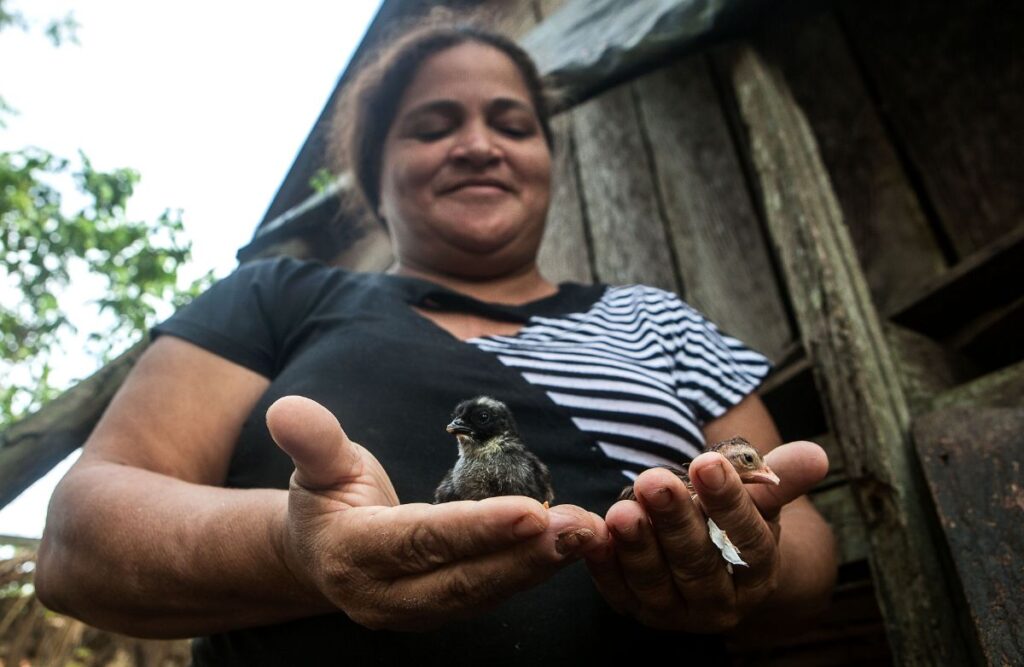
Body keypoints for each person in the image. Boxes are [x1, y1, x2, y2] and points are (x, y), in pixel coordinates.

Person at [35, 23, 837, 665]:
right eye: (434, 124)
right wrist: (292, 548)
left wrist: (746, 561)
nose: (479, 144)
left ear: (547, 163)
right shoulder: (275, 294)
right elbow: (78, 541)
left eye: (512, 123)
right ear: (373, 174)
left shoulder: (657, 319)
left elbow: (800, 538)